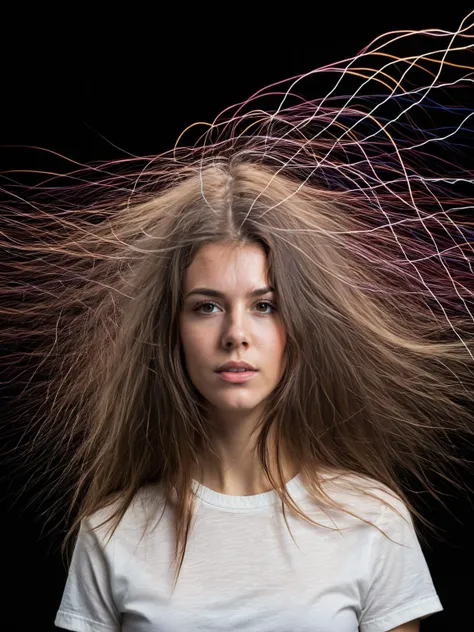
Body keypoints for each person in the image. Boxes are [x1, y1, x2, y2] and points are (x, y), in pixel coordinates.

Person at [1, 12, 474, 632]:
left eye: (265, 304)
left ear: (298, 325)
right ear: (170, 331)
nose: (236, 335)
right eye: (206, 306)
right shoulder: (112, 533)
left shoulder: (372, 521)